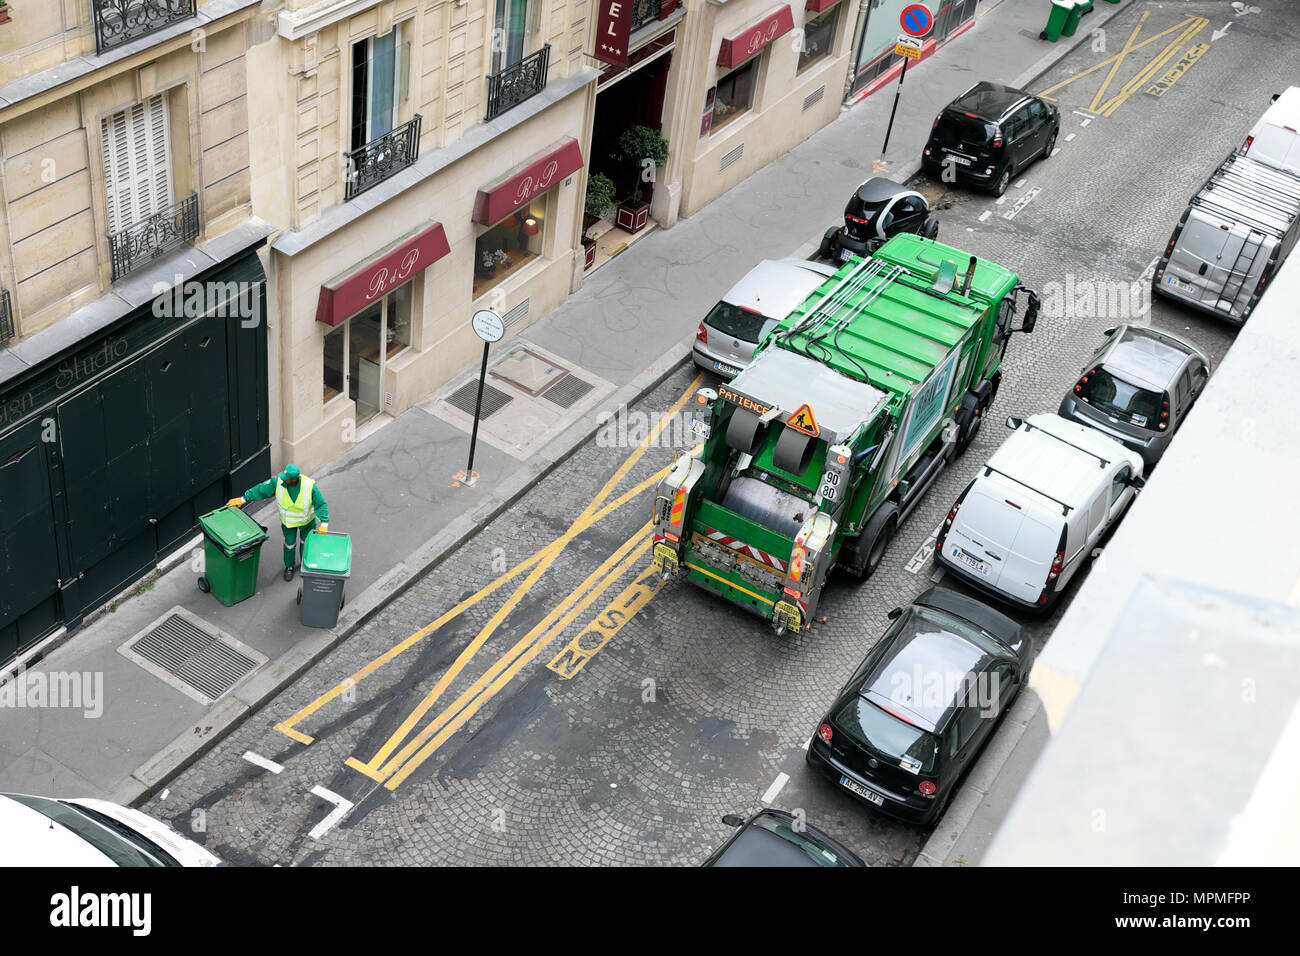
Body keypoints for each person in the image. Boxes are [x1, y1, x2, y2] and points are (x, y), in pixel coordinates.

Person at [227, 464, 329, 581]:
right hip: (288, 523)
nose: (283, 479)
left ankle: (305, 565)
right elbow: (261, 489)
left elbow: (320, 504)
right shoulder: (278, 482)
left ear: (294, 479)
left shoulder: (309, 486)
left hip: (307, 522)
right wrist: (243, 499)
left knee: (306, 543)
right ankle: (289, 566)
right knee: (289, 544)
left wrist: (324, 523)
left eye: (287, 478)